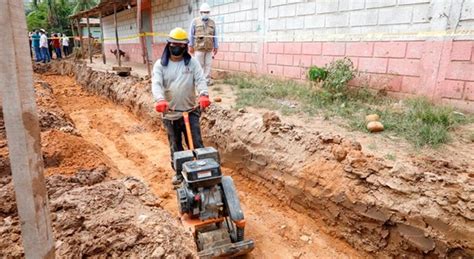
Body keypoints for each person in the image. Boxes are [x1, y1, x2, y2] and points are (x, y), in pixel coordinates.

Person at [151, 28, 211, 184]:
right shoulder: (160, 65)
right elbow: (156, 84)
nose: (177, 47)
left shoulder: (192, 63)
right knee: (176, 145)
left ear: (185, 46)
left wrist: (204, 94)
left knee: (197, 143)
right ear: (168, 44)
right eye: (174, 44)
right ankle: (178, 173)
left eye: (181, 45)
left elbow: (200, 79)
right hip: (171, 114)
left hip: (191, 110)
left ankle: (203, 170)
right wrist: (160, 100)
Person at [189, 2, 218, 85]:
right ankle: (199, 80)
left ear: (209, 13)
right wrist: (190, 45)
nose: (206, 14)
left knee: (208, 65)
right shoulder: (195, 22)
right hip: (199, 48)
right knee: (199, 65)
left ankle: (207, 80)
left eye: (207, 12)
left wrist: (216, 46)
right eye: (204, 12)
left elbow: (215, 35)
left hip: (209, 48)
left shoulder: (212, 23)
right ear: (200, 12)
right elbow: (191, 34)